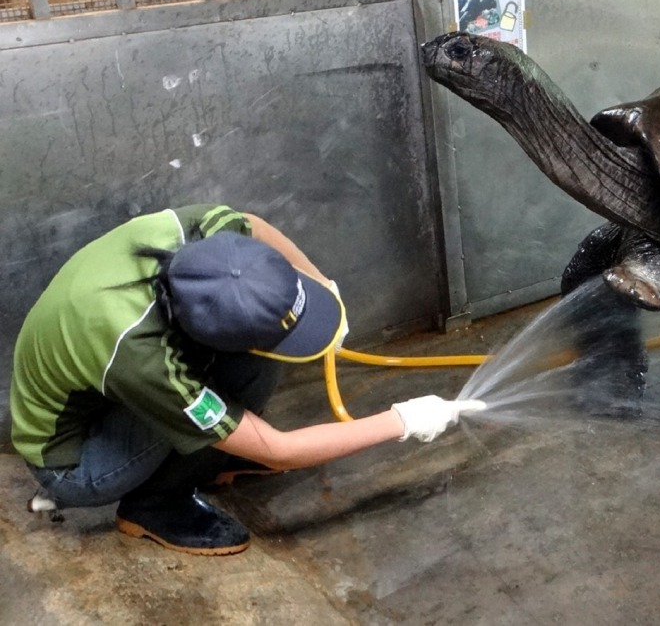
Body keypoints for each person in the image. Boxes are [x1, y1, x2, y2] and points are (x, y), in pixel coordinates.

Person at [9, 204, 481, 555]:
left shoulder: (201, 239)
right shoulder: (144, 359)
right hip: (73, 460)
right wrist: (405, 419)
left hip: (105, 388)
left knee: (264, 354)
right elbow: (281, 448)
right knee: (231, 394)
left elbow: (253, 225)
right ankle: (154, 505)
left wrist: (321, 288)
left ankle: (211, 462)